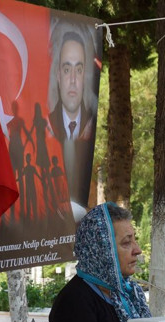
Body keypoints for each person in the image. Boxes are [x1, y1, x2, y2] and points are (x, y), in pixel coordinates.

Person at [49, 29, 95, 222]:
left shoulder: (91, 128)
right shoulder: (45, 126)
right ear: (58, 75)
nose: (73, 80)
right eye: (67, 70)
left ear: (85, 75)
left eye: (79, 69)